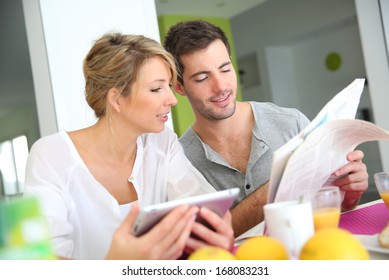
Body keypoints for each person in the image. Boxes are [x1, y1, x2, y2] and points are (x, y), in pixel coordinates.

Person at [23, 32, 234, 260]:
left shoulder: (163, 143)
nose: (172, 100)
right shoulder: (51, 155)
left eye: (169, 87)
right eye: (156, 89)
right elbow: (43, 262)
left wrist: (215, 230)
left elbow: (201, 206)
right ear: (116, 99)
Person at [163, 20, 369, 237]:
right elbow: (202, 238)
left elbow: (335, 207)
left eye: (225, 69)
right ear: (178, 86)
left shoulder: (292, 123)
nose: (221, 86)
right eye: (202, 78)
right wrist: (282, 185)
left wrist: (349, 194)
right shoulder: (179, 159)